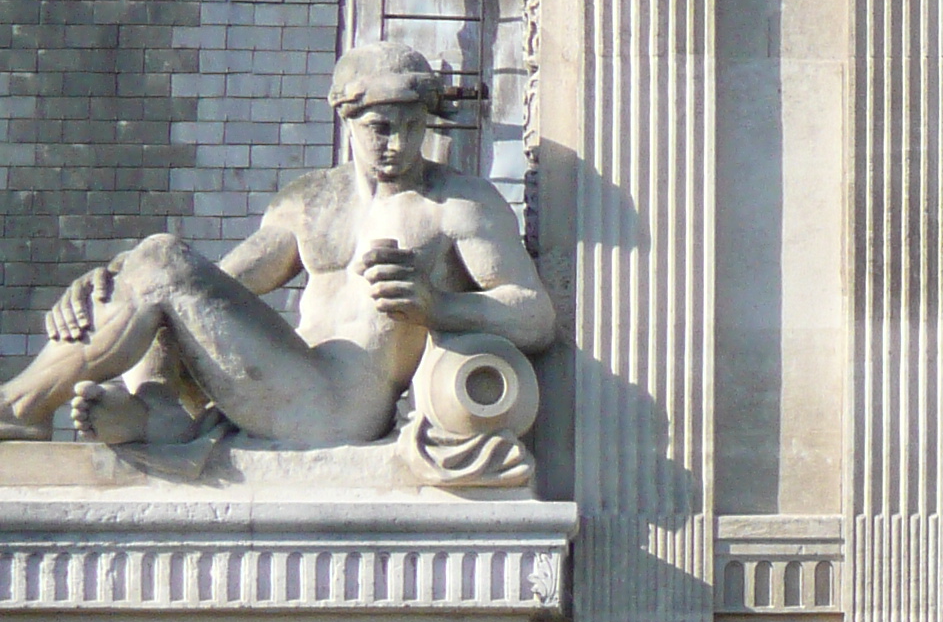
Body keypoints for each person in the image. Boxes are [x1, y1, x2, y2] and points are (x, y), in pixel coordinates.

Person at [0, 41, 554, 447]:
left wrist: (439, 306)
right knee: (155, 262)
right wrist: (112, 281)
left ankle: (22, 407)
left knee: (160, 260)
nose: (399, 144)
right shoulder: (312, 201)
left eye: (413, 127)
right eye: (381, 128)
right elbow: (215, 284)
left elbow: (534, 315)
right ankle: (157, 408)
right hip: (282, 375)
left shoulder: (459, 204)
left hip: (339, 406)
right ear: (347, 118)